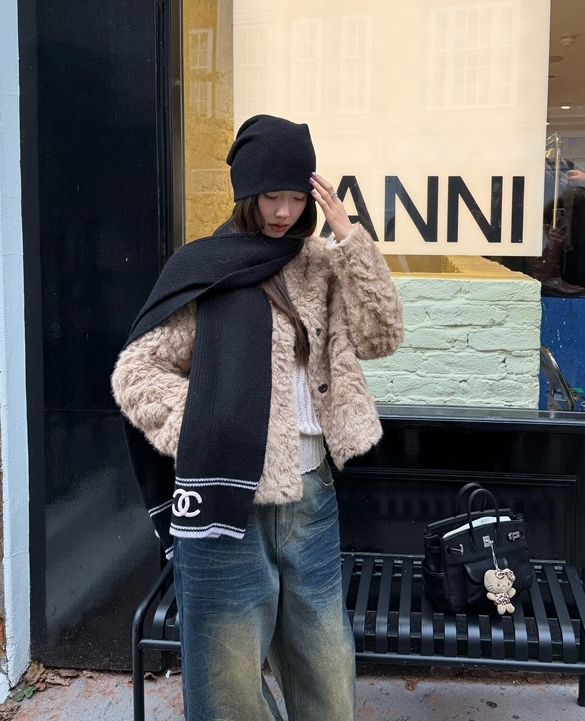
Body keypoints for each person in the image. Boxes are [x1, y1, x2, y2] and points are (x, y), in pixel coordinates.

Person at [111, 114, 404, 721]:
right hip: (229, 506)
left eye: (297, 197)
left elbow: (382, 336)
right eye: (272, 196)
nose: (285, 212)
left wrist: (350, 238)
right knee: (229, 690)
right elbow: (135, 372)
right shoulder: (206, 267)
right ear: (248, 192)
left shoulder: (321, 265)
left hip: (312, 497)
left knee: (328, 677)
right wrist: (208, 427)